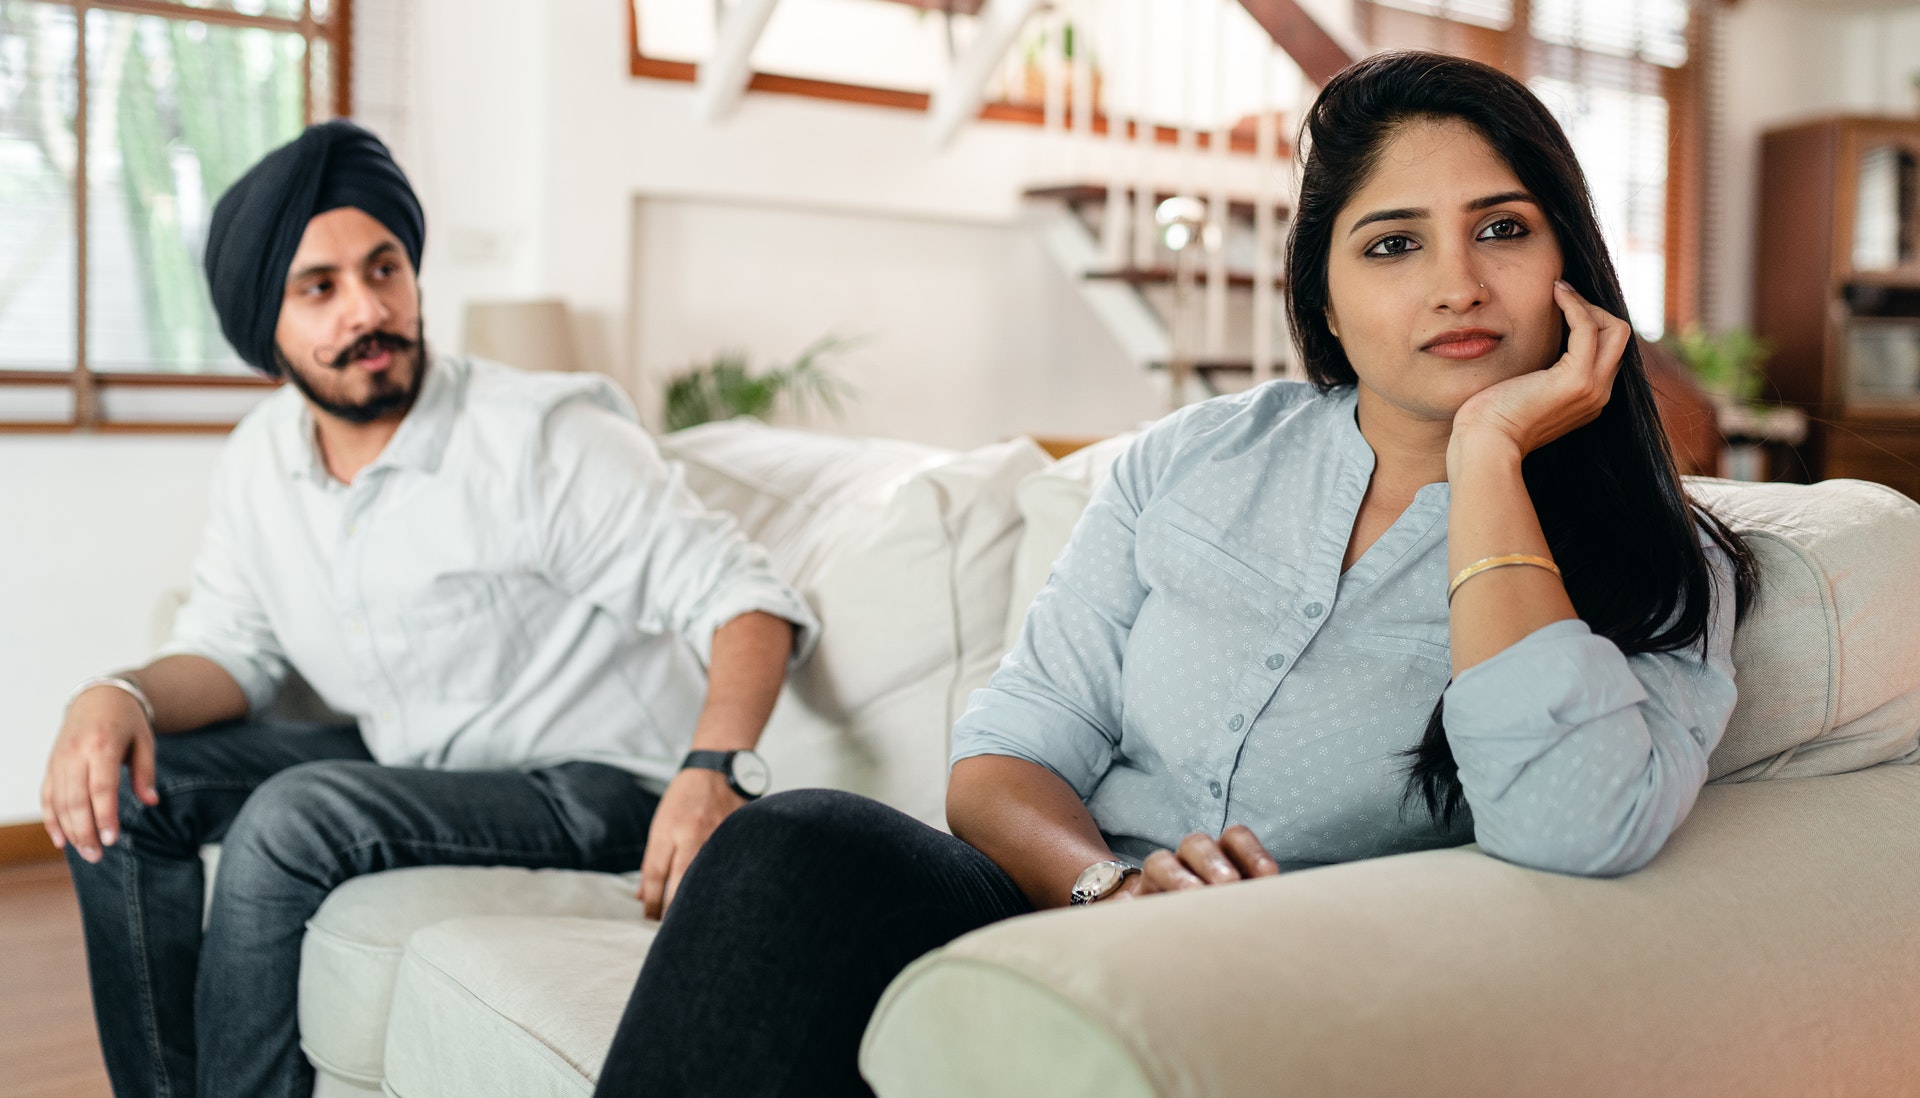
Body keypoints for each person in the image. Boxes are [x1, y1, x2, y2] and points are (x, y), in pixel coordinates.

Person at [587, 50, 1759, 1097]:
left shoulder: (1655, 560)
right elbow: (1008, 757)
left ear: (1571, 264)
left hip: (1287, 992)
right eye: (1393, 243)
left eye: (1502, 229)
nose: (1456, 283)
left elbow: (1577, 827)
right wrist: (1110, 893)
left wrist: (1491, 454)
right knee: (793, 844)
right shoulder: (1200, 457)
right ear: (1329, 302)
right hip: (1064, 915)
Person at [39, 120, 819, 1098]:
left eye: (385, 269)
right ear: (263, 326)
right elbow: (233, 650)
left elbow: (745, 598)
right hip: (426, 769)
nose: (369, 309)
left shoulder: (538, 439)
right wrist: (119, 696)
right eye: (319, 288)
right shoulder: (260, 462)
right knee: (116, 789)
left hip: (596, 785)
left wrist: (714, 768)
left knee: (293, 817)